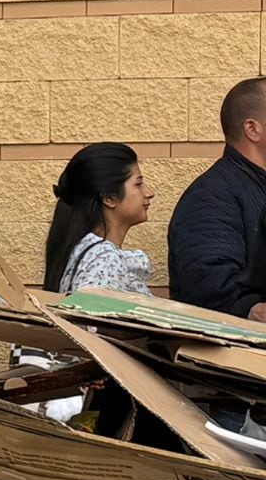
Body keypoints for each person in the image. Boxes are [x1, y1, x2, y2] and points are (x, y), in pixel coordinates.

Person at [168, 77, 266, 319]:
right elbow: (209, 282)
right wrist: (252, 309)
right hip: (241, 352)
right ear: (252, 129)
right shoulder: (210, 197)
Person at [45, 144, 155, 294]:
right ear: (109, 198)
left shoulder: (88, 251)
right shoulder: (105, 259)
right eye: (138, 184)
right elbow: (94, 316)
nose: (149, 193)